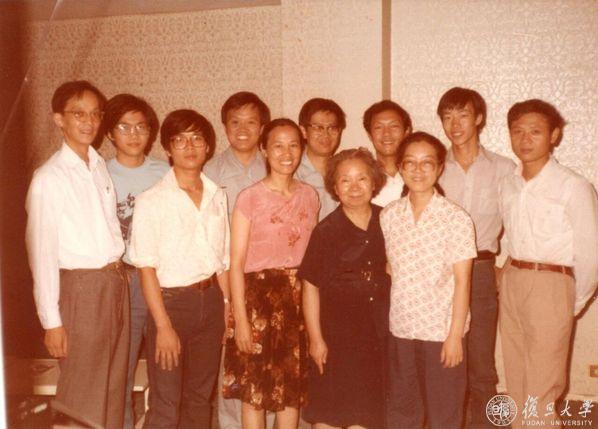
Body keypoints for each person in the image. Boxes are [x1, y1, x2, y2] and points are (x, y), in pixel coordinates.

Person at [25, 80, 128, 428]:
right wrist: (52, 323)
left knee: (111, 390)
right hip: (81, 291)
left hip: (114, 283)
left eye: (95, 114)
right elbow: (41, 255)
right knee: (81, 397)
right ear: (59, 119)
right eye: (78, 114)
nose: (89, 121)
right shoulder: (49, 178)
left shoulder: (98, 166)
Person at [498, 99, 598, 428]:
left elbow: (591, 252)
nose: (525, 139)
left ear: (554, 135)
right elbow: (510, 236)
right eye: (518, 131)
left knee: (542, 387)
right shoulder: (508, 183)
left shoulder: (573, 186)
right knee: (515, 378)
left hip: (552, 284)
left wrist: (573, 300)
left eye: (535, 132)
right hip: (513, 279)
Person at [128, 109, 230, 428]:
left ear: (208, 147)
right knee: (167, 404)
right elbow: (146, 268)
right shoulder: (151, 200)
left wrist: (227, 306)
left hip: (211, 302)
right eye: (180, 140)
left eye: (197, 138)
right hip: (171, 306)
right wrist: (163, 327)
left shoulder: (217, 195)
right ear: (168, 149)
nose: (189, 146)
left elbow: (222, 260)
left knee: (200, 400)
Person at [223, 118, 319, 429]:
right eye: (278, 145)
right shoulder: (249, 198)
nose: (286, 153)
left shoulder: (310, 196)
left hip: (299, 301)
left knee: (290, 391)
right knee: (255, 392)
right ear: (264, 149)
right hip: (258, 303)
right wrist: (240, 320)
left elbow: (313, 260)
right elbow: (236, 262)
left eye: (293, 145)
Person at [382, 132, 477, 429]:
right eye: (410, 163)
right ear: (400, 167)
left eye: (427, 163)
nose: (418, 170)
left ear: (439, 168)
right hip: (402, 328)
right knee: (402, 410)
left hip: (440, 331)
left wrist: (455, 336)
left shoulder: (456, 218)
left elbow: (463, 282)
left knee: (444, 413)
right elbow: (390, 268)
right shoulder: (389, 216)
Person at [436, 87, 515, 428]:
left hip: (482, 269)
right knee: (445, 358)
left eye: (463, 116)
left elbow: (519, 224)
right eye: (447, 117)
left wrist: (504, 268)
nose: (455, 125)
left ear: (479, 118)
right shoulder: (435, 166)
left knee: (481, 361)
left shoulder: (504, 168)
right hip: (440, 273)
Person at [299, 148, 390, 429]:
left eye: (361, 178)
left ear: (373, 183)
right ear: (335, 188)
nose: (354, 187)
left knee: (367, 414)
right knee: (329, 414)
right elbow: (310, 286)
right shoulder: (326, 231)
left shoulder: (389, 220)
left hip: (377, 335)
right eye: (345, 180)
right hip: (336, 336)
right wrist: (316, 339)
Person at [203, 91, 271, 429]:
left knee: (272, 362)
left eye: (251, 122)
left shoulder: (276, 165)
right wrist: (225, 295)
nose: (243, 129)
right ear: (225, 127)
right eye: (235, 122)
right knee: (233, 364)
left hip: (270, 281)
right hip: (228, 278)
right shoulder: (210, 172)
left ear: (262, 127)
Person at [103, 93, 170, 429]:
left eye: (141, 127)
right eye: (124, 127)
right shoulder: (99, 173)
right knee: (121, 371)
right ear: (109, 133)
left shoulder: (164, 172)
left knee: (166, 369)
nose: (133, 134)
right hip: (121, 280)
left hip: (161, 280)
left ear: (151, 131)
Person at [296, 97, 346, 220]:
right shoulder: (293, 172)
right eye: (318, 127)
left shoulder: (345, 170)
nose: (326, 134)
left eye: (332, 128)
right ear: (303, 131)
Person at [363, 99, 412, 207]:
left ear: (406, 132)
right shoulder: (363, 177)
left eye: (394, 126)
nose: (386, 134)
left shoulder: (418, 174)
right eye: (378, 127)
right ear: (369, 135)